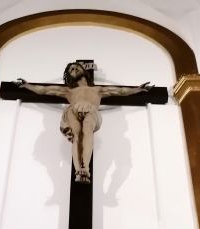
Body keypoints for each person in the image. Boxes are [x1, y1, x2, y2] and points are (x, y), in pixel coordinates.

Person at [17, 62, 151, 183]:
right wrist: (26, 85)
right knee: (76, 136)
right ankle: (78, 171)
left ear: (83, 70)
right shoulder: (69, 91)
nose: (74, 69)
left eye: (76, 67)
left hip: (91, 110)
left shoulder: (97, 90)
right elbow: (44, 90)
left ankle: (85, 167)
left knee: (87, 131)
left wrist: (138, 89)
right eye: (71, 69)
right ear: (69, 76)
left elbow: (120, 91)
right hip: (74, 110)